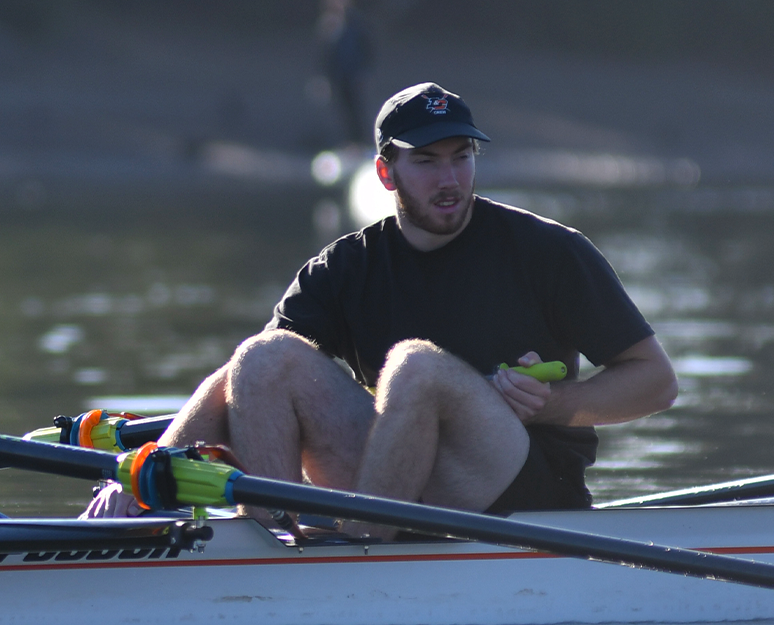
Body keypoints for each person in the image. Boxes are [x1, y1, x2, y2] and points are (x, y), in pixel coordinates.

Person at [87, 83, 676, 535]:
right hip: (399, 473)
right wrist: (146, 471)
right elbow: (240, 387)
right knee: (263, 357)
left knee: (415, 366)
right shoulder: (347, 267)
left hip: (521, 485)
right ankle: (268, 543)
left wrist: (555, 405)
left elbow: (656, 382)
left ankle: (359, 547)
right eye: (426, 161)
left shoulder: (550, 252)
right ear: (385, 172)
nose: (449, 179)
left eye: (461, 156)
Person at [315, 0, 375, 147]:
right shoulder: (327, 22)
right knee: (341, 109)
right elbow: (324, 53)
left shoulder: (357, 22)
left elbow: (367, 49)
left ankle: (360, 143)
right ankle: (348, 143)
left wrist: (365, 72)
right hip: (337, 74)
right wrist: (322, 77)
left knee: (356, 109)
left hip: (354, 73)